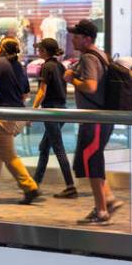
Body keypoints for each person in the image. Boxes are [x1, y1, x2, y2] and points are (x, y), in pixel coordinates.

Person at [64, 19, 124, 225]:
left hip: (95, 118)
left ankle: (101, 211)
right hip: (98, 117)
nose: (73, 39)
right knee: (91, 160)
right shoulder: (101, 54)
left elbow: (90, 86)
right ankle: (108, 200)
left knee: (92, 162)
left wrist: (72, 79)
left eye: (77, 36)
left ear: (87, 39)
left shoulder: (90, 58)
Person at [0, 37, 41, 205]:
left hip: (1, 117)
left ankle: (30, 187)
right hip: (18, 116)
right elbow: (25, 93)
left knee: (8, 155)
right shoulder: (19, 67)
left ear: (1, 49)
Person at [31, 38, 77, 198]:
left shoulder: (46, 67)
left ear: (44, 51)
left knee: (58, 148)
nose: (38, 51)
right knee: (44, 146)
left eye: (39, 49)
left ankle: (70, 186)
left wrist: (32, 111)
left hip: (50, 110)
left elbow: (42, 91)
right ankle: (35, 184)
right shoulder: (59, 65)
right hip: (62, 110)